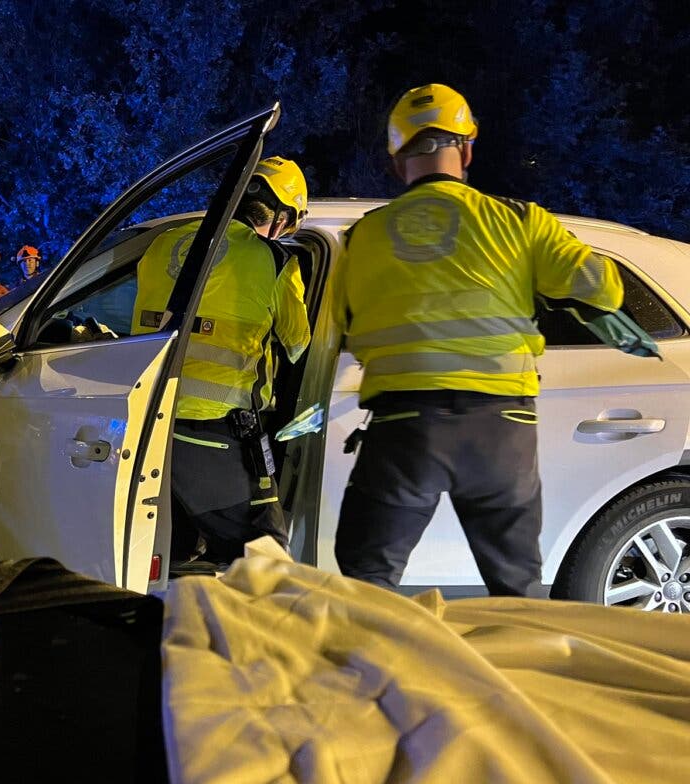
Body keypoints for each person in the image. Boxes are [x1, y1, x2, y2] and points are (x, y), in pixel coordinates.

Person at [331, 84, 657, 597]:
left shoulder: (363, 237)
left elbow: (336, 327)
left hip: (403, 429)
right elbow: (602, 287)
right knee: (516, 588)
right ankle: (517, 672)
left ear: (397, 161)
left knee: (368, 585)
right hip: (501, 428)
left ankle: (376, 673)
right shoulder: (520, 221)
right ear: (466, 149)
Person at [131, 156, 312, 564]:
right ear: (281, 217)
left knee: (166, 553)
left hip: (149, 425)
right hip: (218, 433)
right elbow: (299, 344)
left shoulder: (162, 244)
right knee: (265, 560)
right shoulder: (274, 260)